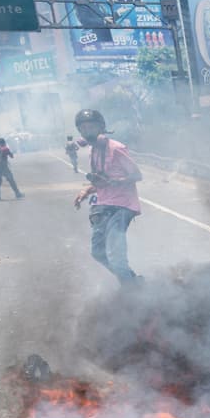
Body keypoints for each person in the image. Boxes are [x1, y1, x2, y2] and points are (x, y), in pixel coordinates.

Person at [72, 109, 143, 286]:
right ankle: (132, 280)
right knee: (98, 252)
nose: (88, 132)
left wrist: (113, 181)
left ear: (101, 127)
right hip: (102, 205)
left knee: (115, 256)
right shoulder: (93, 150)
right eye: (84, 128)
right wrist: (86, 191)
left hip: (122, 205)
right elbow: (100, 179)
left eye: (92, 127)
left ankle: (131, 292)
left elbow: (137, 175)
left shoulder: (116, 148)